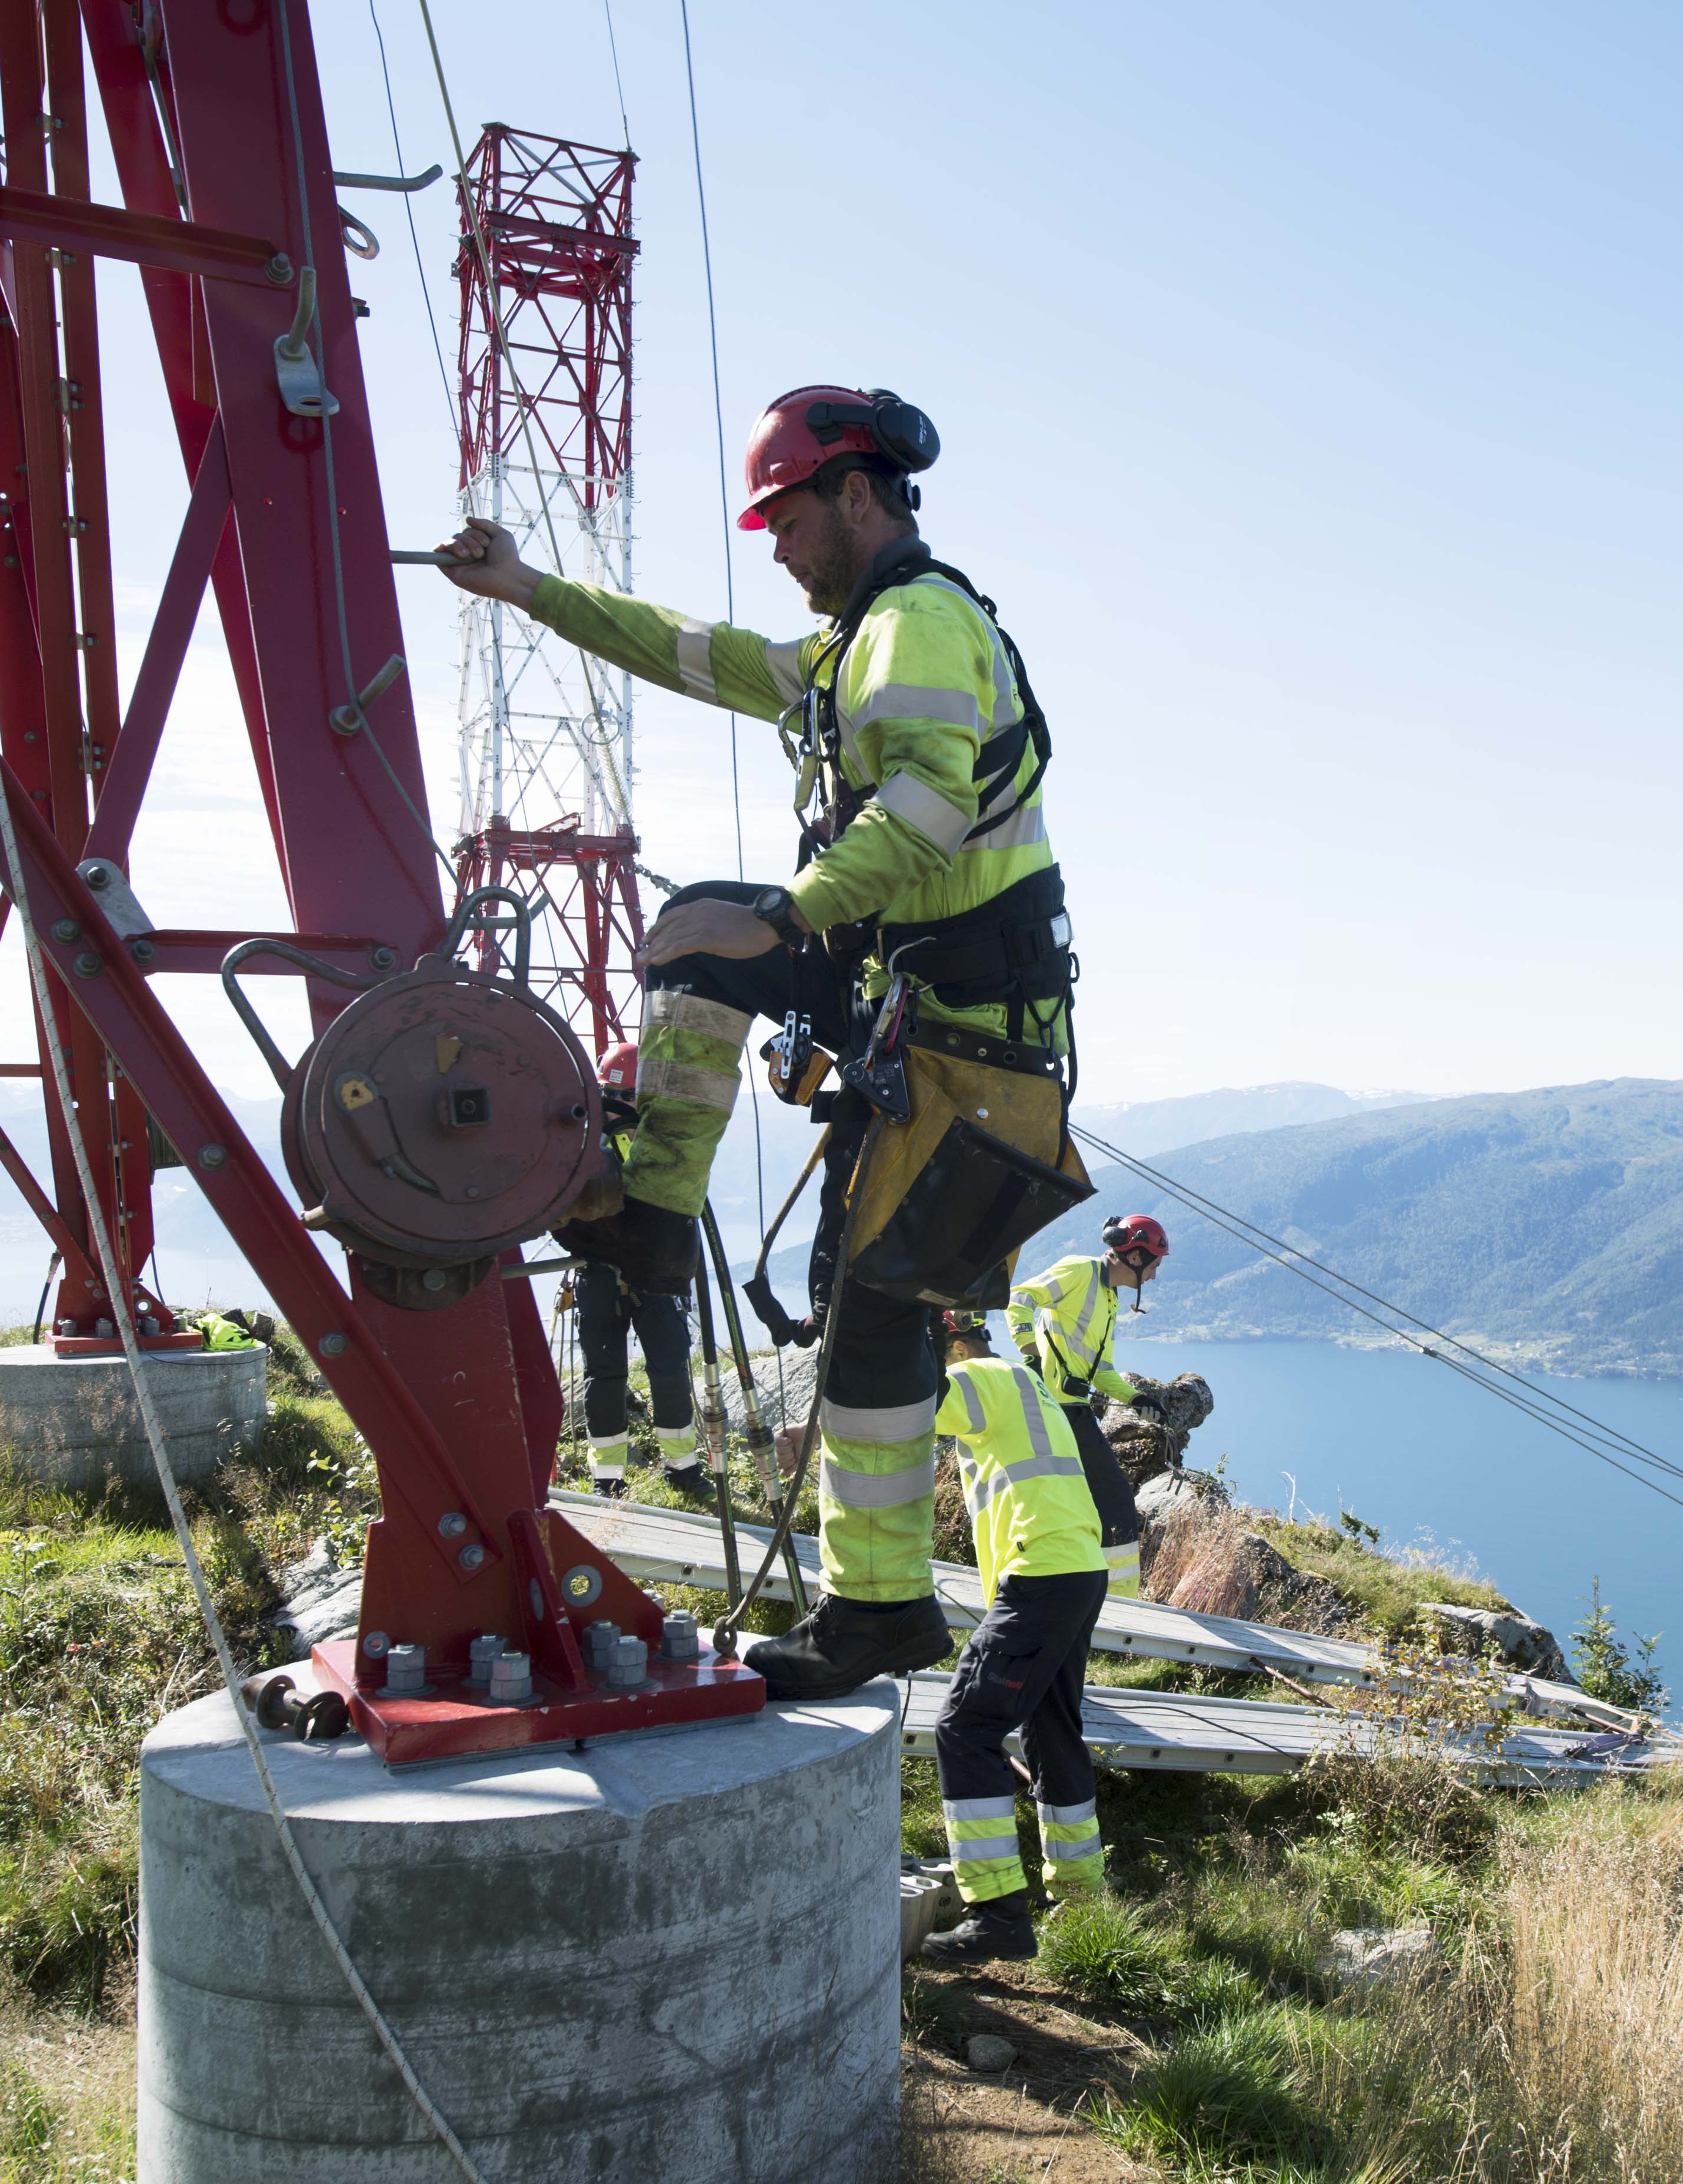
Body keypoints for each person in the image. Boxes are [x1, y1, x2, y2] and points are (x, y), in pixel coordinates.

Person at [441, 385, 1072, 1702]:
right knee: (868, 1314)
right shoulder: (853, 649)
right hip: (948, 1020)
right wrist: (531, 592)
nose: (774, 547)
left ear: (856, 493)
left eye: (784, 518)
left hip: (965, 1035)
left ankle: (873, 1595)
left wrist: (783, 914)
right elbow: (691, 649)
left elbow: (921, 812)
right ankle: (876, 1601)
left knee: (869, 1319)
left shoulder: (914, 629)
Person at [919, 1309, 1109, 1963]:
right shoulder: (1026, 1381)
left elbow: (917, 1402)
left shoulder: (977, 1377)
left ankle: (997, 1912)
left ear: (948, 1343)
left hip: (1041, 1577)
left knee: (964, 1727)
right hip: (1079, 1570)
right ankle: (1081, 1890)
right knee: (1053, 1726)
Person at [1007, 1215, 1168, 1597]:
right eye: (1155, 1265)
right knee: (1114, 1500)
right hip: (1054, 1409)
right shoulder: (1081, 1271)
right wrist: (1030, 1356)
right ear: (1135, 1257)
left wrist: (1137, 1399)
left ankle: (1078, 1592)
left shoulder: (1110, 1301)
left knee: (1080, 1505)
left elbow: (1103, 1372)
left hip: (1071, 1409)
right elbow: (1020, 1299)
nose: (1154, 1277)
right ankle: (1118, 1602)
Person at [575, 1043, 704, 1501]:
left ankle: (683, 1469)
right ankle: (608, 1477)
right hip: (607, 1274)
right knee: (605, 1376)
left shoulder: (637, 1141)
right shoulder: (583, 1144)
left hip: (651, 1277)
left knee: (668, 1371)